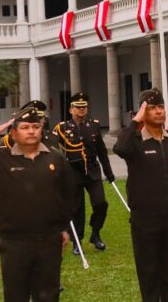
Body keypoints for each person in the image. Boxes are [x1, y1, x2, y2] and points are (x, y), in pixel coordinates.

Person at [0, 105, 75, 302]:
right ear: (14, 132)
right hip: (14, 242)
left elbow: (67, 194)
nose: (31, 131)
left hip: (49, 241)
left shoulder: (56, 158)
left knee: (48, 296)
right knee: (15, 296)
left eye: (35, 126)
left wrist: (63, 228)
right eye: (25, 127)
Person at [114, 89, 168, 302]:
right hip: (145, 220)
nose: (159, 112)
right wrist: (135, 121)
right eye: (152, 108)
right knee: (149, 276)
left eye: (161, 107)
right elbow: (120, 148)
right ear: (142, 112)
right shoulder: (134, 142)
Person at [51, 92, 115, 253]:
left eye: (84, 107)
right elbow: (51, 148)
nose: (81, 110)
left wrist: (108, 172)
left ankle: (95, 233)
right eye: (78, 107)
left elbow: (101, 151)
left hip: (92, 171)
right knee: (76, 208)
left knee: (101, 203)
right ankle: (76, 241)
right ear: (71, 109)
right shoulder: (62, 128)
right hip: (73, 173)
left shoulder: (93, 126)